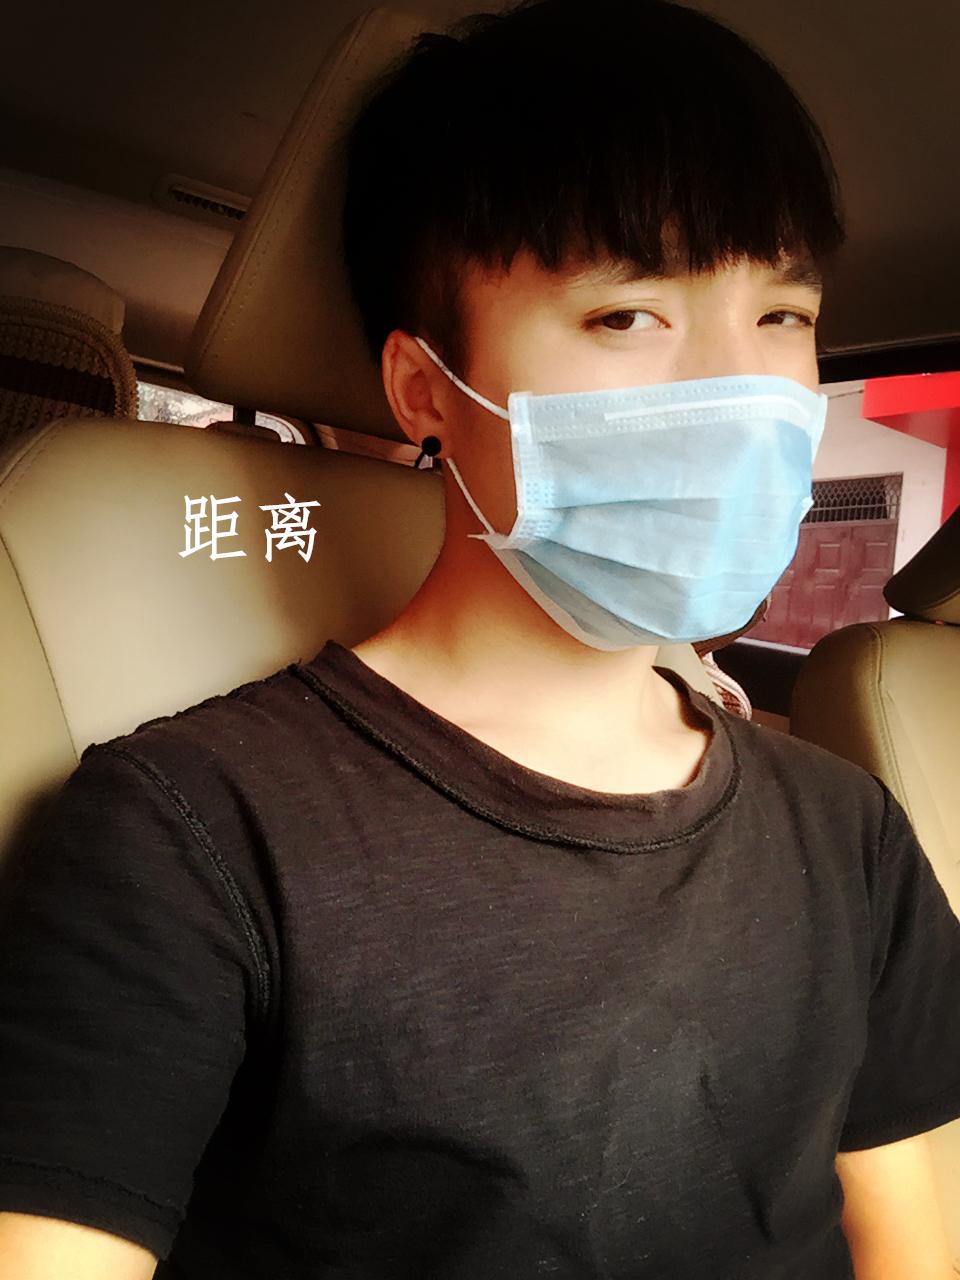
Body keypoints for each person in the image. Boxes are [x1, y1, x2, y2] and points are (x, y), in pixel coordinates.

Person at [0, 2, 959, 1278]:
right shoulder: (189, 831)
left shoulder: (850, 830)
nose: (741, 393)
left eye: (782, 314)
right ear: (424, 391)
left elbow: (914, 1239)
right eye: (627, 315)